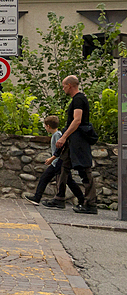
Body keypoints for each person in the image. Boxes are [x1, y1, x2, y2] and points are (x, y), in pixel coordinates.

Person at [42, 75, 98, 214]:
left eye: (64, 86)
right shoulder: (76, 100)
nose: (63, 88)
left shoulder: (79, 99)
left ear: (70, 85)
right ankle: (59, 197)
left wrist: (64, 137)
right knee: (63, 166)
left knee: (84, 169)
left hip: (78, 139)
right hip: (72, 138)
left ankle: (90, 203)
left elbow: (77, 120)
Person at [22, 115, 83, 205]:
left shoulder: (57, 135)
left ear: (48, 126)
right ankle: (81, 199)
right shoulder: (56, 135)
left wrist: (52, 158)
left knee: (45, 178)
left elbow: (61, 149)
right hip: (58, 162)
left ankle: (37, 198)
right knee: (68, 181)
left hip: (58, 162)